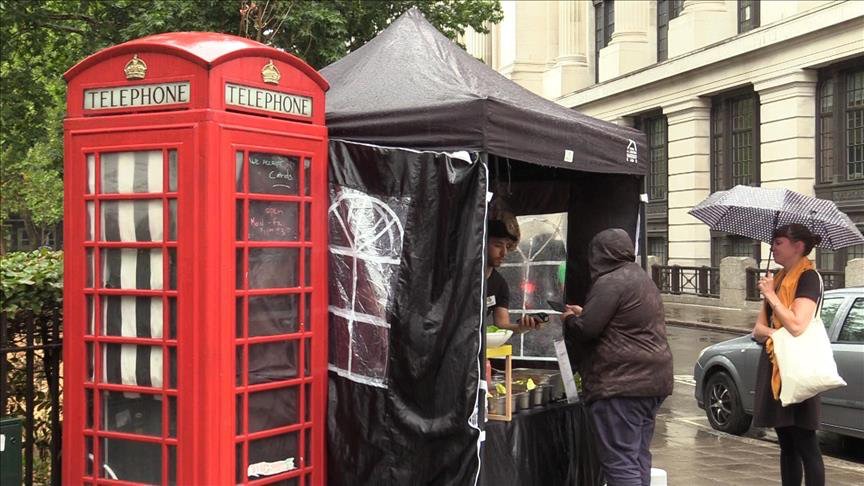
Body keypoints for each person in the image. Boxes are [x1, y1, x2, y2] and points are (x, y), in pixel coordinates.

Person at [560, 228, 672, 486]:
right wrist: (585, 312)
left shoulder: (610, 281)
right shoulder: (641, 278)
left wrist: (569, 320)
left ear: (599, 254)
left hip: (622, 383)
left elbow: (587, 330)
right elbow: (621, 320)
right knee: (638, 456)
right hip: (653, 382)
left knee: (620, 462)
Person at [753, 223, 825, 486]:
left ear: (798, 246)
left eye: (778, 242)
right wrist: (778, 333)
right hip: (776, 364)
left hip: (798, 366)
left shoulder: (808, 278)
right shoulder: (778, 278)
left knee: (805, 441)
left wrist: (771, 296)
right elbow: (758, 330)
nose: (773, 247)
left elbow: (796, 325)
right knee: (786, 442)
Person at [486, 215, 541, 332]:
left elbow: (502, 325)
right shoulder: (459, 279)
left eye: (507, 246)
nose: (504, 253)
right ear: (482, 244)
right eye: (498, 245)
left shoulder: (500, 285)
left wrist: (522, 327)